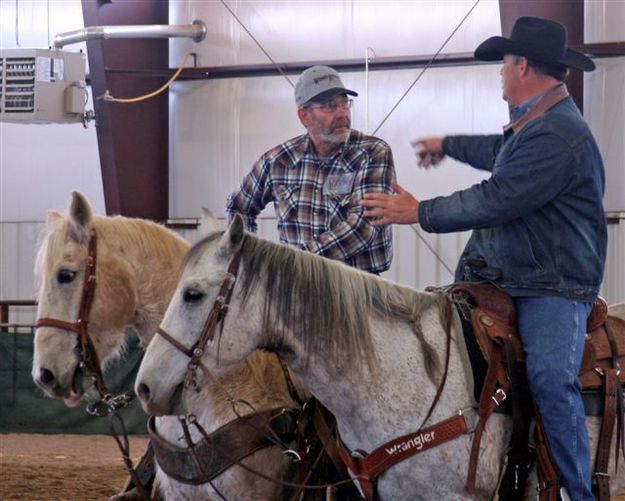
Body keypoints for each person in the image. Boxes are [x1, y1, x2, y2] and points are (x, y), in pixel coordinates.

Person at [360, 16, 606, 501]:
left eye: (503, 64)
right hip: (504, 272)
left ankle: (580, 493)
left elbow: (498, 198)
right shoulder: (538, 123)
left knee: (551, 379)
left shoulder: (558, 136)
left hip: (550, 283)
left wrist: (418, 211)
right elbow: (500, 151)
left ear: (523, 65)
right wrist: (448, 145)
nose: (499, 74)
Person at [226, 65, 396, 274]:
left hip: (358, 289)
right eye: (330, 106)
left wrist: (293, 262)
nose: (342, 113)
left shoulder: (372, 153)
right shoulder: (278, 161)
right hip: (296, 287)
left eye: (345, 104)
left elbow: (362, 227)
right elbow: (239, 208)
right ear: (304, 116)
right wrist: (247, 260)